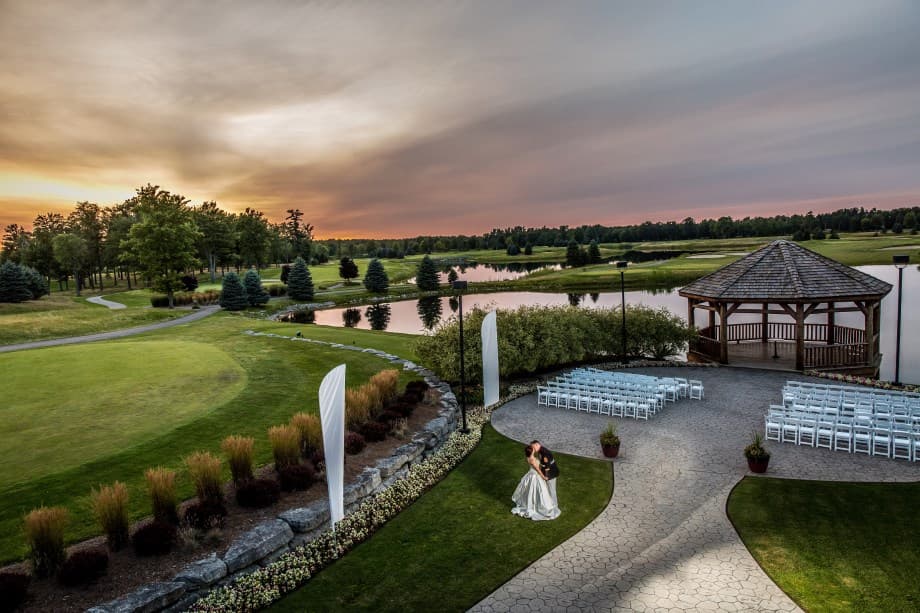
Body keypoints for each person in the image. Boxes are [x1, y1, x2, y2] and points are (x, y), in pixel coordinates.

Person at [511, 445, 561, 521]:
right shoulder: (532, 459)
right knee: (539, 491)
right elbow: (538, 469)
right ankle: (539, 507)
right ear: (531, 451)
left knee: (533, 491)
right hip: (535, 476)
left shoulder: (529, 457)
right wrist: (544, 477)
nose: (534, 449)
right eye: (533, 449)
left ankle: (534, 504)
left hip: (531, 474)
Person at [531, 440, 559, 508]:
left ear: (537, 445)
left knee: (551, 490)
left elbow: (547, 467)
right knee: (547, 489)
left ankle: (554, 506)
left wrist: (546, 476)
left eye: (533, 447)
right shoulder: (541, 450)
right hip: (549, 470)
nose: (533, 449)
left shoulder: (544, 453)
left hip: (551, 473)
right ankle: (549, 503)